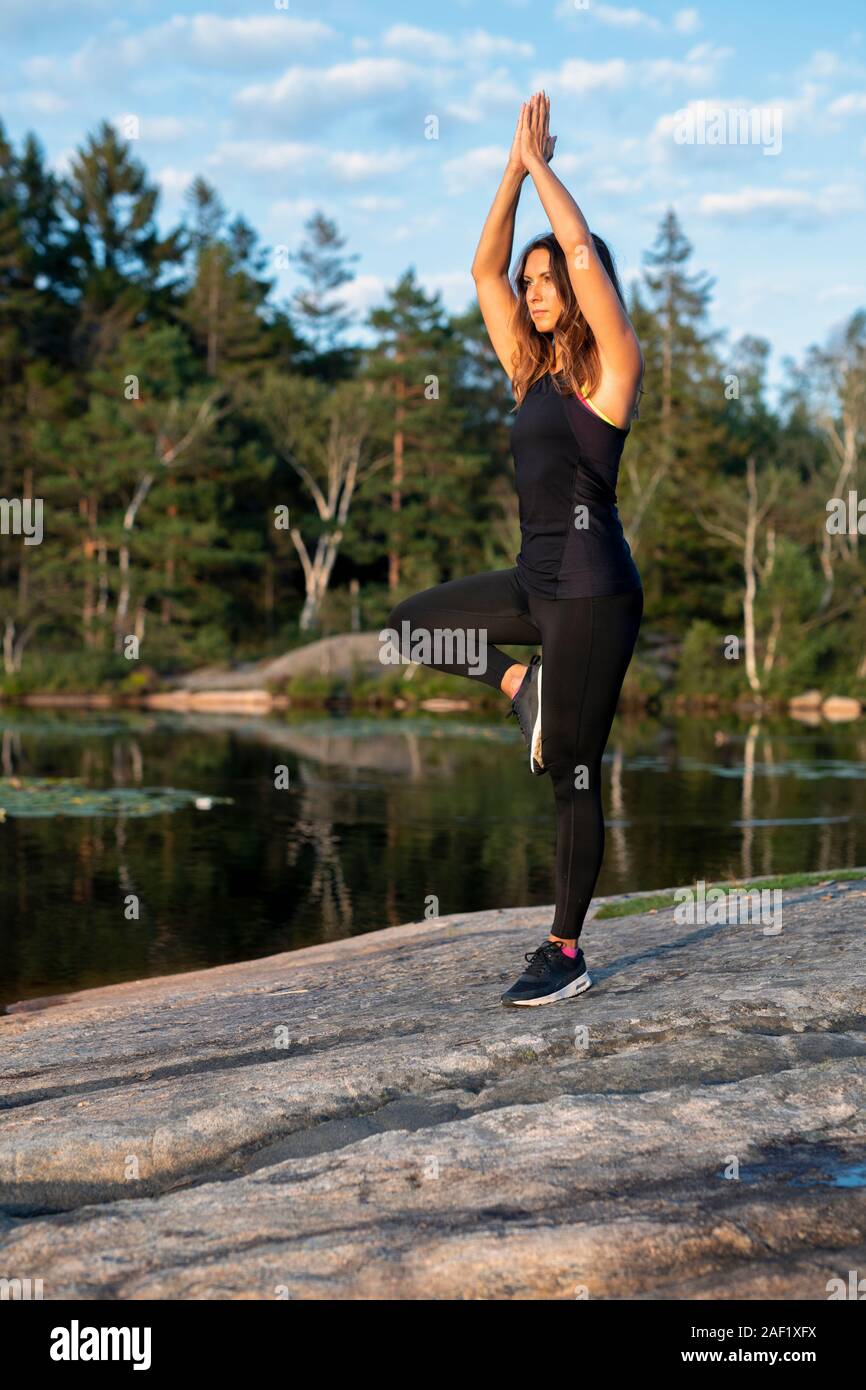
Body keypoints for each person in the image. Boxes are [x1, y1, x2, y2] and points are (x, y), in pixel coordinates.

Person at [387, 92, 644, 1006]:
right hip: (536, 579)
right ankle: (519, 689)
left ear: (581, 288)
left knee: (574, 771)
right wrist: (508, 167)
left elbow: (576, 248)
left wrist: (543, 171)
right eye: (531, 284)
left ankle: (566, 950)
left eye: (548, 282)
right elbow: (481, 267)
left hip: (592, 590)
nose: (533, 290)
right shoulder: (528, 370)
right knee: (411, 627)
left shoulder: (610, 369)